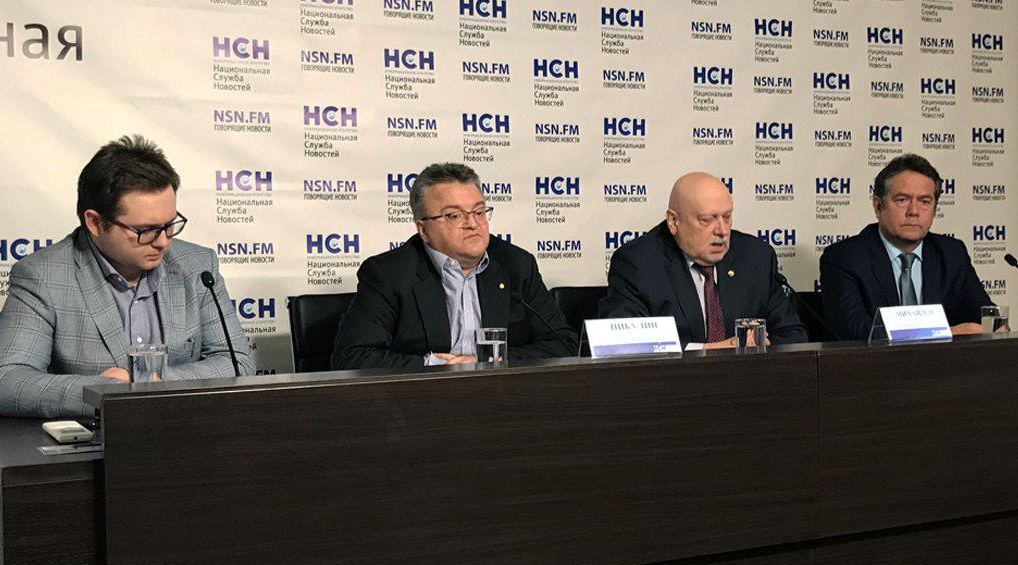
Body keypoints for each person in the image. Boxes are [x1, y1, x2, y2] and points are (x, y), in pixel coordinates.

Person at [0, 135, 253, 419]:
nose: (163, 242)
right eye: (145, 230)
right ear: (95, 222)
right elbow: (1, 384)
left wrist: (154, 382)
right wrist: (104, 392)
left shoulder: (198, 266)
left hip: (186, 432)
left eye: (170, 225)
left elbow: (238, 363)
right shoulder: (44, 276)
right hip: (98, 440)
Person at [332, 162, 577, 369]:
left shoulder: (516, 265)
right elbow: (352, 357)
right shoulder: (390, 274)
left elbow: (563, 344)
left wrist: (487, 361)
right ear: (424, 229)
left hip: (504, 398)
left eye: (479, 212)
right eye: (454, 215)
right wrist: (436, 365)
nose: (472, 223)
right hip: (424, 401)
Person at [598, 172, 807, 348]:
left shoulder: (755, 257)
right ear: (673, 221)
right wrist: (707, 351)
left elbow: (792, 336)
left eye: (727, 217)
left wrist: (761, 349)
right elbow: (622, 344)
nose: (722, 231)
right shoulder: (638, 264)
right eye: (707, 220)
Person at [819, 154, 993, 341]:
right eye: (902, 200)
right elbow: (856, 332)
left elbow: (988, 319)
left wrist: (995, 326)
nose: (913, 211)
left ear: (934, 209)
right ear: (878, 207)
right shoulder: (844, 258)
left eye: (924, 201)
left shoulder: (952, 253)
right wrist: (944, 332)